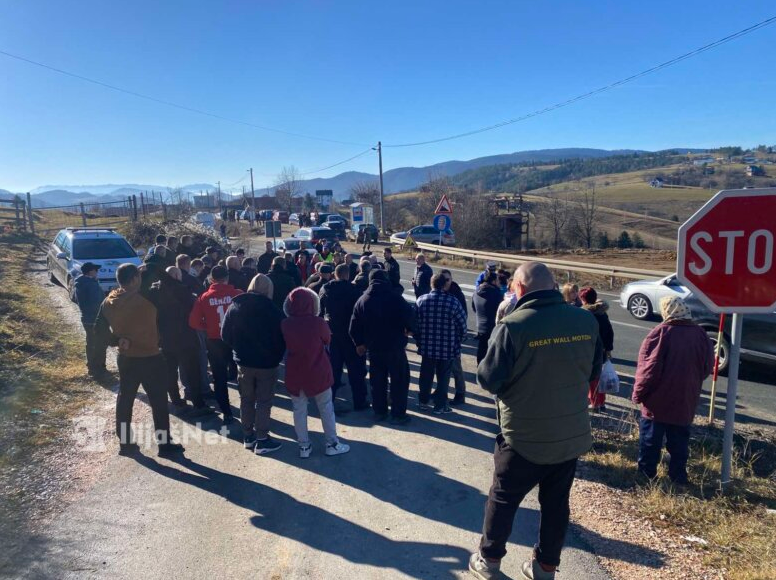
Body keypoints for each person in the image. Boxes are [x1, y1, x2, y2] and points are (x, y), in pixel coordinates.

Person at [470, 262, 603, 580]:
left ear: (519, 288)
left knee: (503, 499)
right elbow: (594, 371)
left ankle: (489, 562)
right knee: (556, 505)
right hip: (569, 434)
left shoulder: (514, 325)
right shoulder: (586, 320)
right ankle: (545, 568)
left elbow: (488, 378)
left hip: (523, 434)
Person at [94, 264, 184, 456]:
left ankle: (126, 444)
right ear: (135, 279)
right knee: (159, 401)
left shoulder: (108, 301)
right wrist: (154, 266)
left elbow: (97, 331)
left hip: (126, 358)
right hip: (151, 357)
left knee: (125, 400)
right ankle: (164, 444)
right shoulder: (148, 296)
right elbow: (173, 285)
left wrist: (116, 340)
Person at [632, 296, 714, 484]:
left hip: (657, 403)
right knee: (679, 443)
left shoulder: (660, 333)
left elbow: (648, 370)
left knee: (651, 442)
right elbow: (707, 366)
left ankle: (646, 476)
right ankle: (678, 477)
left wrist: (638, 394)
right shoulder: (701, 334)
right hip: (685, 399)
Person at [281, 288, 350, 458]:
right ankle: (332, 443)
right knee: (326, 408)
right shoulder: (318, 322)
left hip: (295, 371)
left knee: (299, 410)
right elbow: (327, 339)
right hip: (317, 370)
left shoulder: (285, 323)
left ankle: (304, 446)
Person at [221, 274, 286, 455]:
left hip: (244, 362)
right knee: (264, 401)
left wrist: (238, 349)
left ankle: (248, 435)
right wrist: (276, 355)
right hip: (267, 364)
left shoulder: (235, 305)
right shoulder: (273, 310)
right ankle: (263, 439)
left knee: (246, 399)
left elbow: (224, 335)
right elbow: (282, 338)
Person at [350, 270, 415, 424]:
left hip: (374, 348)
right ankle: (398, 414)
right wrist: (411, 330)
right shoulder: (396, 298)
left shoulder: (362, 300)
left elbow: (354, 326)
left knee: (377, 382)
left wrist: (359, 343)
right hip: (395, 347)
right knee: (399, 381)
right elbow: (410, 316)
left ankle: (380, 411)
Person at [147, 266, 211, 416]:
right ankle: (198, 403)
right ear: (176, 276)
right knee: (192, 372)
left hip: (165, 339)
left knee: (170, 372)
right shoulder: (183, 290)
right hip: (186, 338)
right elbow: (194, 310)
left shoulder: (154, 292)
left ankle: (176, 400)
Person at [188, 265, 243, 424]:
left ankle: (227, 412)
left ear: (211, 279)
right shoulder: (237, 294)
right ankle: (248, 406)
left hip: (214, 341)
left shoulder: (204, 298)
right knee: (242, 374)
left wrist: (207, 327)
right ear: (227, 278)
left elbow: (193, 322)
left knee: (219, 379)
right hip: (235, 340)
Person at [415, 273, 467, 414]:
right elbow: (462, 325)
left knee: (425, 375)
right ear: (445, 285)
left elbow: (416, 324)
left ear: (431, 284)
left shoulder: (421, 300)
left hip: (427, 346)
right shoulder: (453, 302)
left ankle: (423, 401)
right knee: (443, 378)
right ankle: (440, 405)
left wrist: (419, 339)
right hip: (447, 347)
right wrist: (459, 339)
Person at [320, 264, 368, 411]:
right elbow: (361, 315)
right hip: (351, 336)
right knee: (356, 372)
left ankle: (329, 401)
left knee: (333, 371)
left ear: (335, 274)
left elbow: (320, 311)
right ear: (348, 275)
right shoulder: (355, 291)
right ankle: (360, 402)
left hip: (332, 335)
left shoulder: (326, 290)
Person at [579, 287, 614, 411]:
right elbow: (610, 332)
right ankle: (602, 402)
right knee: (600, 377)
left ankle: (594, 404)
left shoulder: (584, 313)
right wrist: (609, 348)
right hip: (603, 349)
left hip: (591, 350)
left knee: (592, 378)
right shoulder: (602, 312)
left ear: (583, 299)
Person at [73, 262, 108, 378]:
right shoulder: (91, 284)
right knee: (99, 343)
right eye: (95, 270)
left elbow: (75, 299)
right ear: (90, 272)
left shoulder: (80, 283)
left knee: (91, 342)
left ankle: (92, 366)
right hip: (95, 318)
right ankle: (98, 368)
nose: (97, 272)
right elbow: (97, 303)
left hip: (86, 317)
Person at [441, 269, 468, 405]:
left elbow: (463, 317)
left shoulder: (457, 294)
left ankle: (460, 393)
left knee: (456, 367)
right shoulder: (439, 291)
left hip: (453, 338)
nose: (446, 282)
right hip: (442, 337)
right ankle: (442, 391)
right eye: (444, 279)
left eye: (448, 279)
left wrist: (459, 335)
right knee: (442, 369)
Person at [472, 271, 503, 364]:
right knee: (491, 351)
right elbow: (501, 310)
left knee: (481, 348)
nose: (499, 282)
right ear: (493, 281)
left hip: (480, 325)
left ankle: (479, 368)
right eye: (497, 280)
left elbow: (474, 308)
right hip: (493, 326)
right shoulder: (496, 293)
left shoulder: (476, 292)